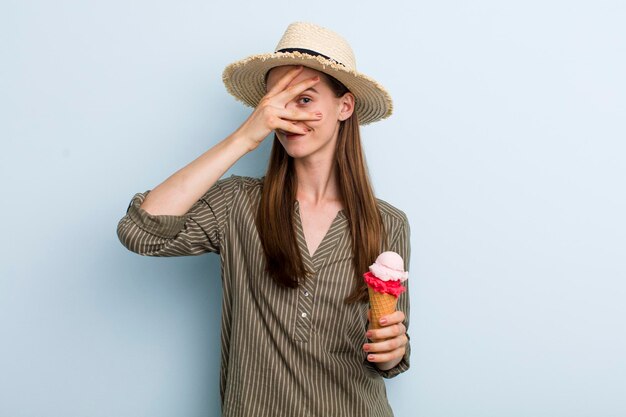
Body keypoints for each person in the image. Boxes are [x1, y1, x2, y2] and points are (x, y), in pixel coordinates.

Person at [117, 21, 411, 417]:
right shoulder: (237, 204)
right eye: (274, 101)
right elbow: (140, 231)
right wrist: (245, 137)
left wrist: (394, 350)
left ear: (345, 106)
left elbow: (390, 358)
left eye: (304, 99)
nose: (285, 114)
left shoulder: (388, 223)